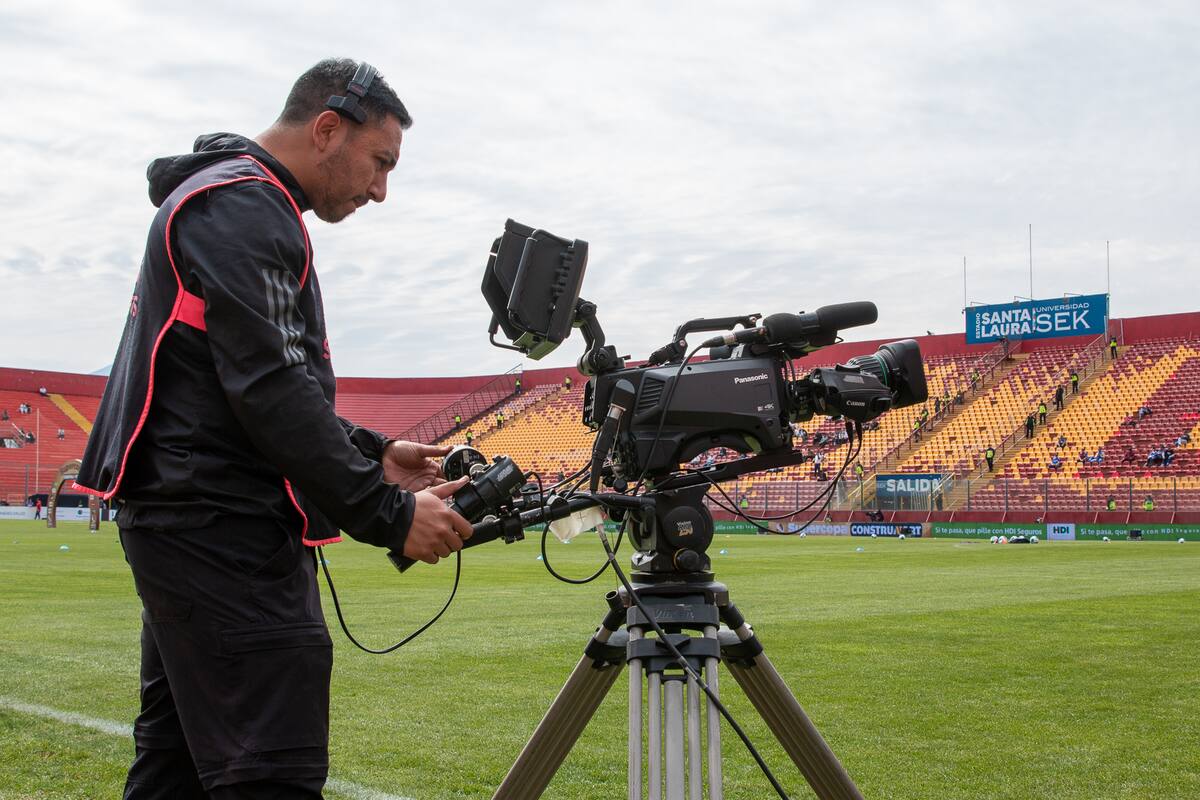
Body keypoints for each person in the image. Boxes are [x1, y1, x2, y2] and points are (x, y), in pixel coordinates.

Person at [72, 60, 475, 799]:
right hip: (222, 533)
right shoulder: (245, 205)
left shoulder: (231, 199)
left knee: (175, 770)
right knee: (269, 778)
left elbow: (241, 379)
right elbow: (268, 387)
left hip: (195, 526)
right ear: (327, 129)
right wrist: (388, 514)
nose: (380, 190)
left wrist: (375, 452)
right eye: (380, 161)